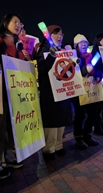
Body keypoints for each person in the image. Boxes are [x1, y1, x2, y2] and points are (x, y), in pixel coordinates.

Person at [0, 14, 24, 179]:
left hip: (12, 90)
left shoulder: (17, 43)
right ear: (5, 23)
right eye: (14, 21)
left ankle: (9, 157)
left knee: (10, 126)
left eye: (19, 22)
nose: (17, 24)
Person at [35, 24, 72, 160]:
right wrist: (51, 56)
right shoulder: (43, 50)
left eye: (61, 34)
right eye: (56, 33)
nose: (59, 36)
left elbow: (69, 70)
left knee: (61, 118)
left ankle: (58, 144)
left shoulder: (63, 51)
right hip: (49, 92)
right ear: (49, 36)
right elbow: (42, 69)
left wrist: (74, 63)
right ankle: (48, 148)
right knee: (51, 120)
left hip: (62, 90)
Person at [71, 34, 102, 149]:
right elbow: (75, 72)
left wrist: (98, 76)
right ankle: (78, 138)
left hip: (91, 90)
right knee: (80, 115)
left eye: (85, 42)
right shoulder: (73, 58)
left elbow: (97, 69)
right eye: (81, 43)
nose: (83, 45)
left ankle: (88, 135)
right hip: (78, 91)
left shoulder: (92, 56)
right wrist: (85, 69)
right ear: (76, 46)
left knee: (93, 113)